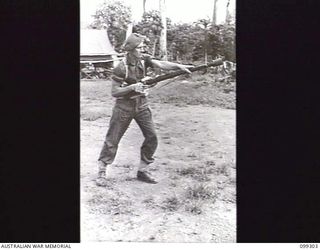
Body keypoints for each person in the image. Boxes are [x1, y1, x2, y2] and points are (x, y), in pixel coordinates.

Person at [96, 33, 193, 187]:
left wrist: (180, 67)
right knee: (112, 139)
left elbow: (161, 64)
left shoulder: (143, 59)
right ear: (131, 49)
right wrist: (132, 87)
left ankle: (143, 170)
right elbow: (115, 92)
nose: (143, 49)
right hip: (124, 107)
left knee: (152, 137)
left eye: (143, 47)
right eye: (140, 47)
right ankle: (102, 170)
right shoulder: (121, 67)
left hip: (141, 105)